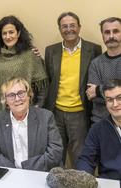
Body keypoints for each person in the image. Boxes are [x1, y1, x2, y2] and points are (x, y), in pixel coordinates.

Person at [44, 12, 102, 167]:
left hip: (80, 114)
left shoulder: (94, 49)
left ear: (79, 27)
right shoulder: (50, 51)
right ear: (60, 29)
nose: (69, 29)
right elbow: (48, 80)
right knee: (55, 158)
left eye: (72, 25)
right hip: (55, 113)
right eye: (64, 26)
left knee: (81, 158)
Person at [0, 77, 62, 171]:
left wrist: (26, 170)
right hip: (9, 176)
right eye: (11, 95)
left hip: (39, 174)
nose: (17, 99)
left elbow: (55, 151)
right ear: (6, 101)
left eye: (21, 93)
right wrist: (13, 172)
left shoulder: (46, 117)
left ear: (29, 95)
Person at [0, 15, 47, 121]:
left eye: (11, 32)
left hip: (25, 111)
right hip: (2, 111)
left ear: (18, 33)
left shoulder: (29, 54)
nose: (8, 36)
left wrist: (37, 107)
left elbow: (42, 85)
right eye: (4, 33)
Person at [77, 79, 121, 180]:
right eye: (110, 100)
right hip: (109, 183)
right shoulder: (97, 129)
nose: (115, 104)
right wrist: (83, 179)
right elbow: (86, 159)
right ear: (105, 103)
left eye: (119, 98)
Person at [87, 17, 121, 124]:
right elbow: (93, 97)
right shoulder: (95, 63)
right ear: (102, 35)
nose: (111, 36)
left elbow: (95, 92)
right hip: (101, 122)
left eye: (115, 31)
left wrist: (98, 90)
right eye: (107, 32)